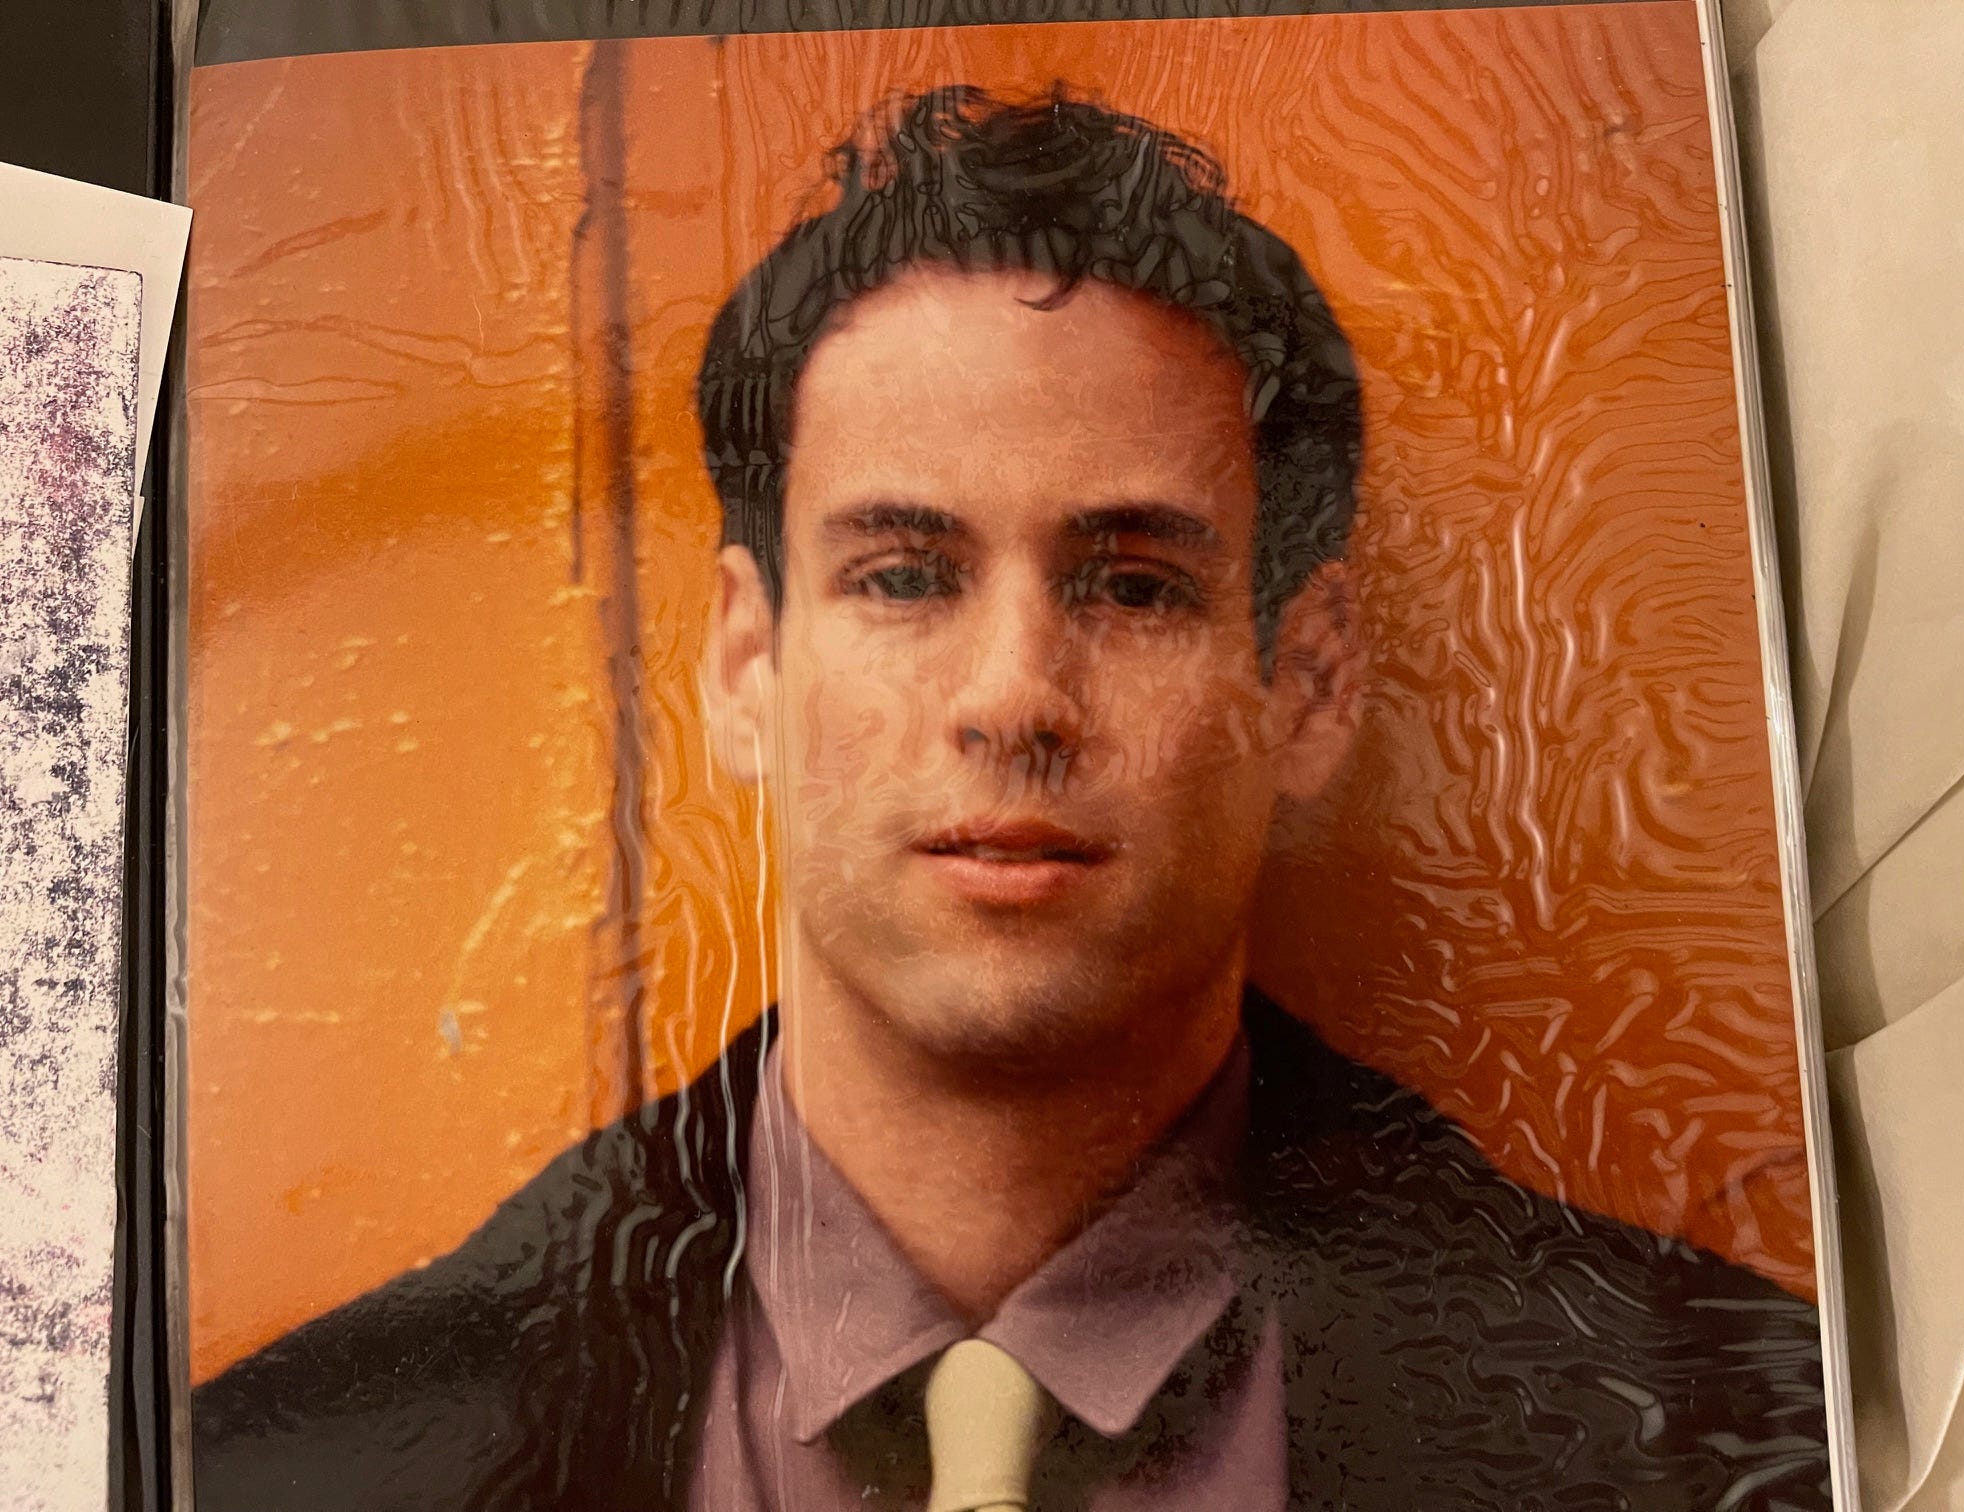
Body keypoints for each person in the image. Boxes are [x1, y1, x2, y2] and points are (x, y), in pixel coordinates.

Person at [193, 86, 1832, 1512]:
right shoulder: (275, 1468)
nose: (1012, 700)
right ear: (748, 665)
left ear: (1312, 682)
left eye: (1132, 585)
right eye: (906, 575)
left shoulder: (1750, 1437)